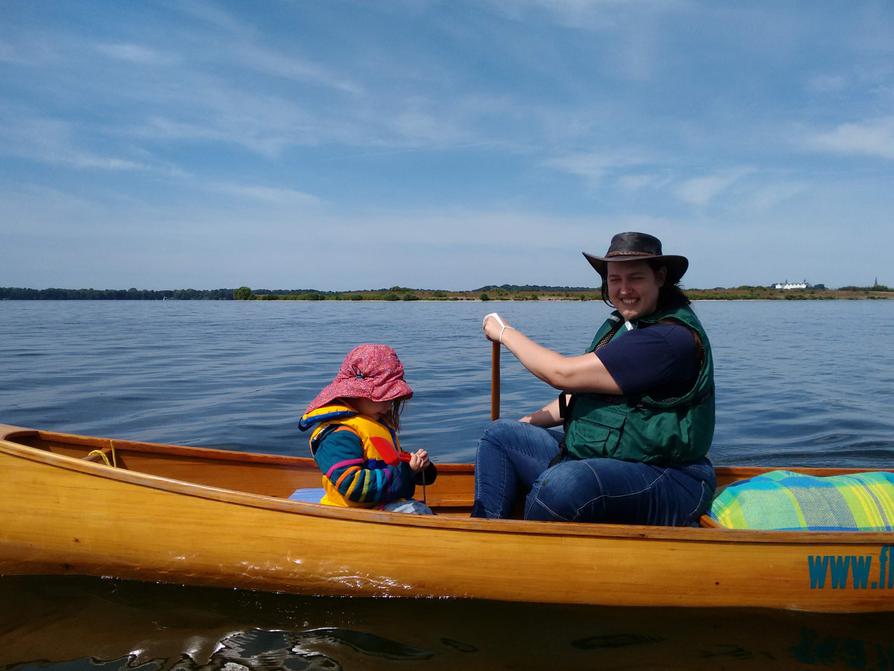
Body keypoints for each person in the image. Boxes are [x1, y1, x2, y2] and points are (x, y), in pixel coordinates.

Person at [473, 232, 715, 526]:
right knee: (500, 434)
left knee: (564, 484)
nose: (624, 289)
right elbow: (580, 395)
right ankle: (484, 533)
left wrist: (503, 332)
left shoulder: (668, 339)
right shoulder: (626, 328)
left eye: (635, 278)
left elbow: (561, 374)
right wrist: (528, 422)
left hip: (670, 477)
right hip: (608, 459)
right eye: (615, 280)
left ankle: (531, 558)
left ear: (660, 277)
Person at [298, 343, 437, 514]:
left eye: (392, 398)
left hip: (378, 506)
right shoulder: (338, 436)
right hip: (354, 514)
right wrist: (407, 472)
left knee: (421, 511)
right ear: (355, 394)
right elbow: (353, 485)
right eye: (384, 396)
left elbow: (393, 463)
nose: (389, 404)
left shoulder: (373, 425)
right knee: (419, 514)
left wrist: (420, 467)